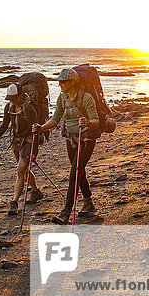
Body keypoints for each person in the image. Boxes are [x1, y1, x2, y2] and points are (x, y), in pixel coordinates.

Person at [32, 68, 99, 224]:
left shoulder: (87, 98)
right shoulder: (62, 98)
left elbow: (95, 120)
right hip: (70, 140)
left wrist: (87, 122)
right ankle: (89, 203)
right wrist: (41, 127)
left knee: (74, 174)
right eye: (59, 82)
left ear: (72, 82)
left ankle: (66, 211)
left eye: (63, 81)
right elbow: (55, 119)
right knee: (79, 172)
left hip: (86, 139)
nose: (60, 84)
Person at [0, 83, 44, 216]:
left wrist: (34, 152)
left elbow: (35, 131)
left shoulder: (29, 108)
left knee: (20, 169)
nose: (11, 101)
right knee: (24, 170)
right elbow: (5, 124)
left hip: (29, 140)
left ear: (20, 95)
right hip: (16, 141)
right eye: (10, 98)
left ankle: (14, 202)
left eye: (14, 98)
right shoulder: (9, 107)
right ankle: (36, 192)